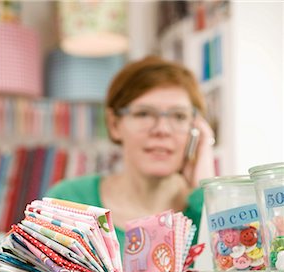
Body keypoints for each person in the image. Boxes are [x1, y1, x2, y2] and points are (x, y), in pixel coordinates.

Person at [46, 55, 215, 254]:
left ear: (196, 129)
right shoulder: (69, 202)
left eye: (179, 116)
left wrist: (208, 189)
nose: (162, 129)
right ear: (114, 124)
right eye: (143, 114)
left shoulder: (208, 210)